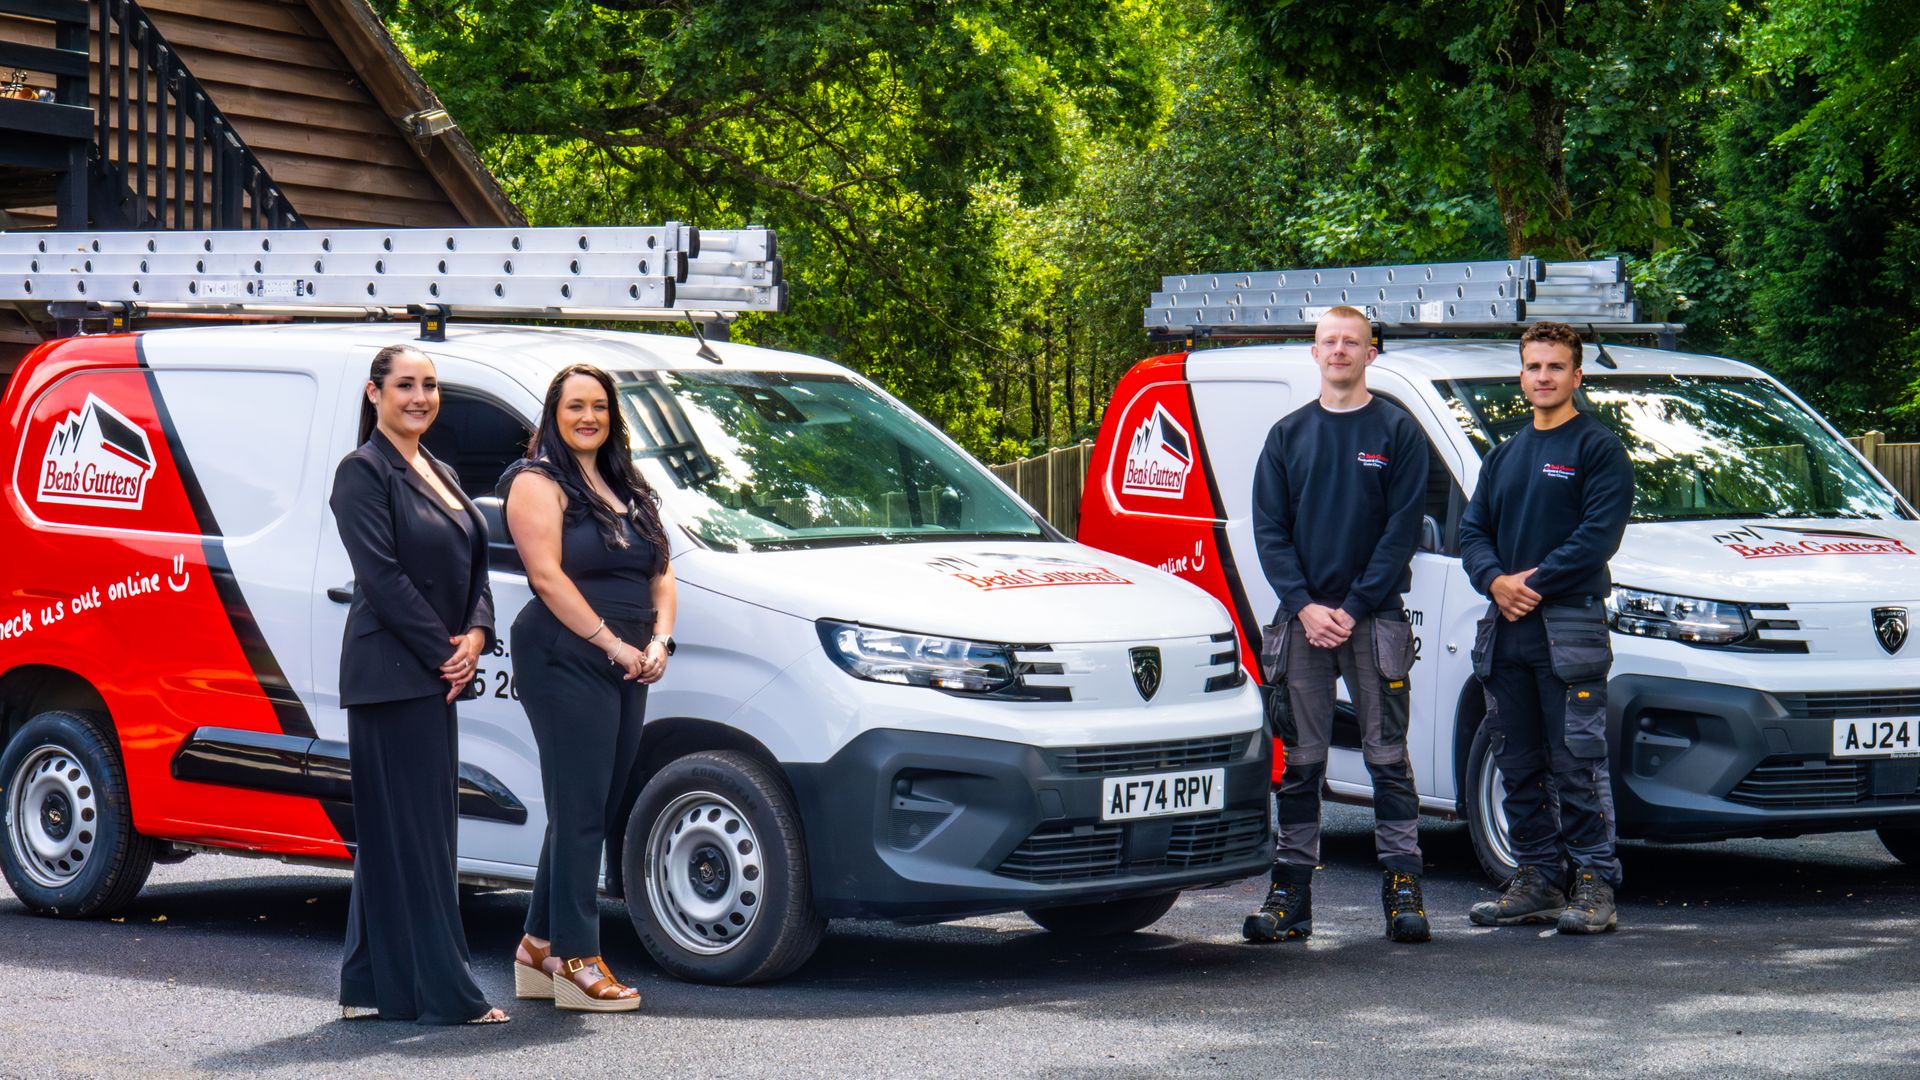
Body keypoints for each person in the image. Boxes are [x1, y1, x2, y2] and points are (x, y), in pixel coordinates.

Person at [1243, 305, 1433, 944]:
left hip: (1373, 619)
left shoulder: (1397, 432)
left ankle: (1403, 889)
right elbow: (1269, 532)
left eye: (1352, 342)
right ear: (1314, 351)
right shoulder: (1287, 435)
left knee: (1387, 758)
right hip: (1301, 623)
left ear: (1371, 354)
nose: (1340, 351)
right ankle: (1290, 894)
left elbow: (1401, 532)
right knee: (1301, 760)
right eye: (1330, 341)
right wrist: (1303, 605)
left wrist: (1351, 608)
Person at [331, 344, 509, 1024]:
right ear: (375, 394)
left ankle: (370, 984)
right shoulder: (362, 472)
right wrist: (446, 652)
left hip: (432, 672)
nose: (420, 397)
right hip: (392, 676)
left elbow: (478, 566)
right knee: (419, 837)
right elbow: (382, 579)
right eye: (405, 385)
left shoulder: (439, 468)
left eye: (430, 386)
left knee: (396, 835)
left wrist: (477, 636)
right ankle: (446, 993)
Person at [502, 364, 676, 1012]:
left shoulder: (628, 486)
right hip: (565, 651)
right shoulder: (536, 482)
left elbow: (662, 576)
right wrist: (612, 644)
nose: (588, 417)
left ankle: (537, 945)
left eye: (599, 406)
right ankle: (577, 960)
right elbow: (547, 577)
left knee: (594, 806)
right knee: (580, 809)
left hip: (629, 654)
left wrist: (657, 644)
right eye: (575, 406)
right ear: (554, 413)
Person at [1459, 320, 1634, 935]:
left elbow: (1597, 539)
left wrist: (1529, 582)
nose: (1543, 376)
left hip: (1570, 632)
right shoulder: (1505, 455)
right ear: (1522, 375)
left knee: (1577, 763)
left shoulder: (1598, 449)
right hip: (1506, 634)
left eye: (1555, 366)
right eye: (1534, 366)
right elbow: (1471, 532)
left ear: (1576, 376)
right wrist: (1494, 582)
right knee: (1518, 761)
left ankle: (1593, 883)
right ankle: (1537, 878)